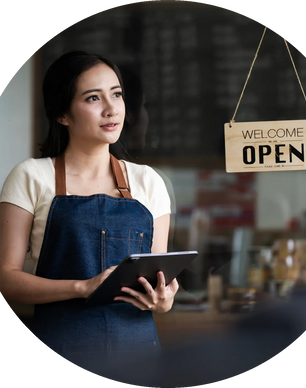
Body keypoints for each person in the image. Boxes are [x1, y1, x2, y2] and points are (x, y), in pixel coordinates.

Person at [0, 51, 179, 374]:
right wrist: (81, 287)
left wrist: (163, 299)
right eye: (93, 98)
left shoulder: (148, 181)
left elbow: (158, 275)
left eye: (117, 94)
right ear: (61, 114)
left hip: (140, 356)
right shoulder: (30, 176)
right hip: (61, 348)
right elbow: (4, 279)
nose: (112, 109)